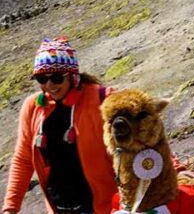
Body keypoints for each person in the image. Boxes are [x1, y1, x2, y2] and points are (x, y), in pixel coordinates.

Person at [4, 38, 115, 214]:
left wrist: (175, 170)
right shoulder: (33, 107)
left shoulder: (102, 100)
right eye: (42, 78)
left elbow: (141, 135)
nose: (49, 85)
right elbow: (23, 160)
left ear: (72, 75)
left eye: (56, 78)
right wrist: (10, 208)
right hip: (58, 209)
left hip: (104, 208)